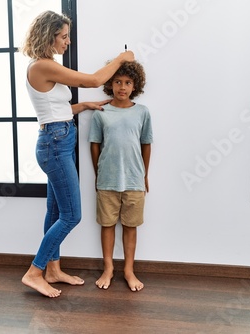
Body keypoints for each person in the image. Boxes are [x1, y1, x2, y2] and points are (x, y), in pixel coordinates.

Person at [20, 10, 135, 298]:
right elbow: (94, 80)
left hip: (60, 138)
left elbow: (55, 111)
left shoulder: (47, 67)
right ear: (49, 36)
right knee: (72, 216)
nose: (67, 42)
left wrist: (83, 107)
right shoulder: (41, 67)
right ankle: (35, 272)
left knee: (56, 211)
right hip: (54, 145)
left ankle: (53, 270)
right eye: (63, 36)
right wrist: (121, 59)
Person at [88, 60, 152, 292]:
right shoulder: (101, 113)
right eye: (117, 82)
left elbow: (146, 144)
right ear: (110, 84)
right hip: (107, 180)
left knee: (130, 226)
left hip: (134, 180)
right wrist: (98, 174)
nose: (122, 87)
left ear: (135, 85)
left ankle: (128, 270)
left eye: (127, 82)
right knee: (107, 225)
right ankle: (108, 268)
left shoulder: (142, 112)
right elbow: (94, 145)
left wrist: (145, 175)